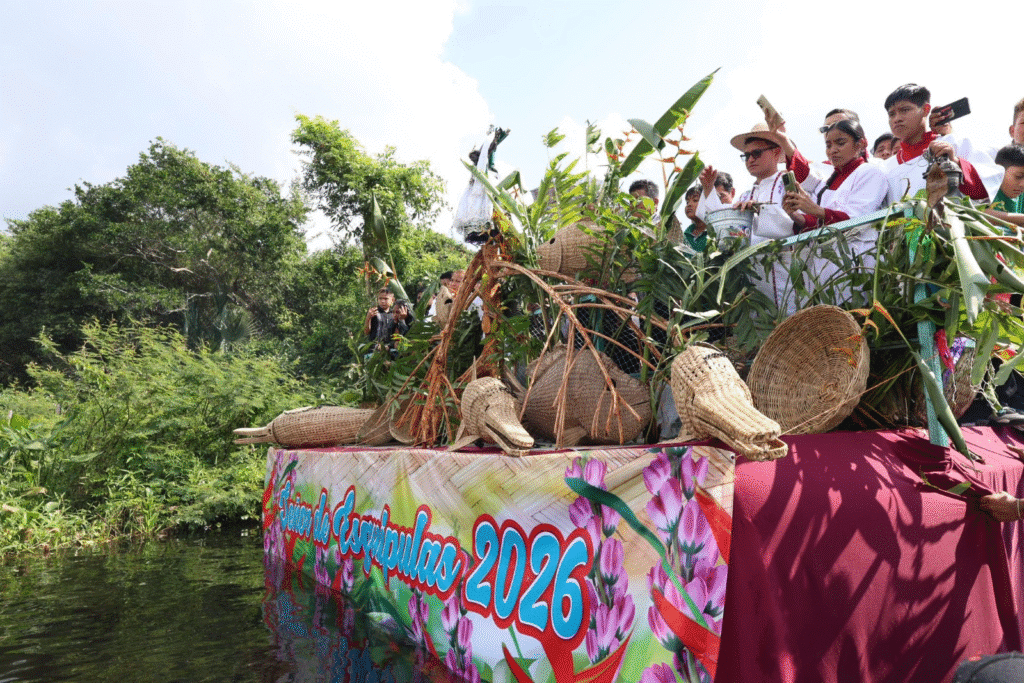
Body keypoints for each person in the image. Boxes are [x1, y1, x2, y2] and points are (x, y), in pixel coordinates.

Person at [782, 118, 889, 302]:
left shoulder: (871, 172)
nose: (833, 150)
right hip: (827, 265)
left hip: (858, 260)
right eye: (828, 145)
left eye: (840, 143)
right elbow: (820, 224)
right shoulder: (827, 183)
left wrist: (815, 209)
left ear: (860, 144)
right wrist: (795, 215)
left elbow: (856, 219)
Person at [882, 83, 1003, 204]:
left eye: (905, 110)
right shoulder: (885, 168)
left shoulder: (953, 144)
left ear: (925, 110)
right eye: (891, 114)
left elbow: (988, 189)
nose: (897, 119)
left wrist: (955, 162)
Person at [986, 144, 1024, 228]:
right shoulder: (987, 189)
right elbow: (980, 213)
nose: (1022, 184)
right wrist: (1021, 218)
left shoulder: (1022, 197)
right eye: (1018, 176)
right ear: (1000, 171)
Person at [364, 288, 396, 352]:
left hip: (390, 350)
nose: (382, 301)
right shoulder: (373, 312)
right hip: (374, 350)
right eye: (380, 298)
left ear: (392, 300)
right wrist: (368, 318)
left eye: (386, 299)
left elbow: (397, 334)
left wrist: (389, 346)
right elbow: (366, 332)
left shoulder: (394, 314)